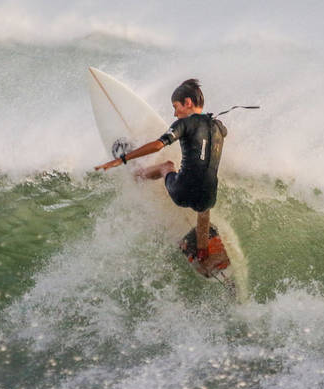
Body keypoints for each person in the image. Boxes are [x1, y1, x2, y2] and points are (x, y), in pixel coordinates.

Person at [95, 78, 227, 270]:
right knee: (204, 209)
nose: (175, 113)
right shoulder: (218, 127)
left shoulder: (184, 123)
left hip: (182, 192)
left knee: (167, 165)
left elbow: (158, 145)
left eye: (176, 106)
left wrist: (121, 159)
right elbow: (224, 130)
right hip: (208, 197)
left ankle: (138, 174)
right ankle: (203, 250)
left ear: (188, 102)